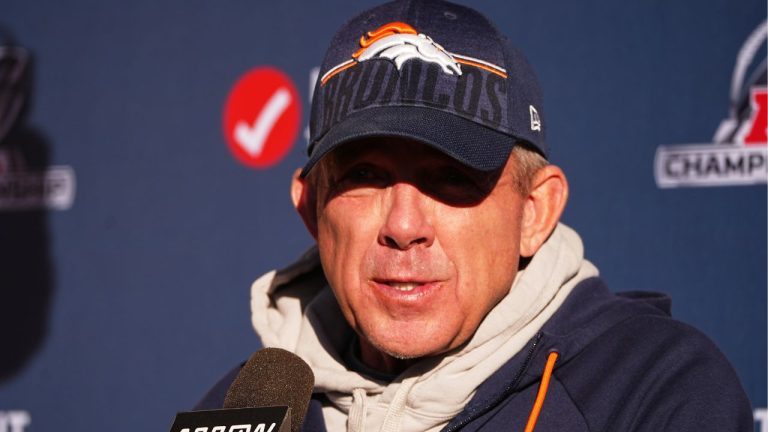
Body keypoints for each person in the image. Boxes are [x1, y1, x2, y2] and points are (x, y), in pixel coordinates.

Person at [197, 0, 754, 430]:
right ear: (311, 210)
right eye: (365, 176)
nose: (405, 225)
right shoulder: (243, 410)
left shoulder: (652, 395)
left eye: (451, 178)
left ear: (534, 213)